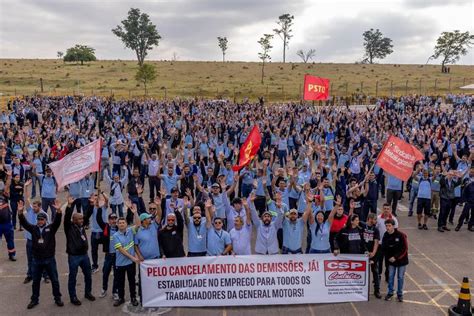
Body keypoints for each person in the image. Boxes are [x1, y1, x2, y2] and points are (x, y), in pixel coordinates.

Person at [18, 199, 64, 309]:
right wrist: (20, 212)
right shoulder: (33, 229)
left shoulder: (50, 228)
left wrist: (58, 212)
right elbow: (24, 223)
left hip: (49, 259)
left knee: (55, 280)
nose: (40, 221)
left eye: (42, 219)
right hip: (36, 260)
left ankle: (57, 298)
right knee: (36, 282)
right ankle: (34, 299)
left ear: (45, 220)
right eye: (38, 219)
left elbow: (57, 222)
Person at [64, 196, 95, 306]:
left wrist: (91, 205)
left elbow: (88, 215)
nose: (82, 220)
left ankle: (88, 292)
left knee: (88, 275)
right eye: (80, 219)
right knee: (73, 277)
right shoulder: (69, 227)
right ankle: (73, 297)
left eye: (82, 219)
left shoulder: (81, 225)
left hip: (84, 255)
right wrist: (69, 206)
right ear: (74, 220)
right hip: (74, 256)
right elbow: (67, 217)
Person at [111, 206, 140, 307]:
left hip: (130, 264)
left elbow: (138, 224)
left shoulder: (130, 231)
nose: (122, 224)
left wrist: (135, 213)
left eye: (123, 223)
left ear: (126, 224)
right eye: (120, 223)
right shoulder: (115, 236)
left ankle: (133, 298)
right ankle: (121, 298)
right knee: (120, 282)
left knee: (132, 281)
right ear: (117, 225)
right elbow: (121, 250)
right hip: (120, 263)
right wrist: (133, 258)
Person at [95, 197, 119, 300]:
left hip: (118, 255)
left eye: (115, 219)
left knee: (117, 275)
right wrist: (99, 208)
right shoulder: (105, 227)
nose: (113, 220)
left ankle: (115, 291)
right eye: (111, 219)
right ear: (109, 220)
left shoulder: (120, 228)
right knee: (105, 273)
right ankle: (104, 289)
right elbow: (98, 219)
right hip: (108, 255)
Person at [382, 219, 409, 302]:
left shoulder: (401, 235)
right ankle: (390, 292)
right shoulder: (385, 235)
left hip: (401, 260)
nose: (387, 227)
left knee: (400, 277)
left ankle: (400, 294)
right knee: (390, 277)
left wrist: (396, 257)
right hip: (391, 261)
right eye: (386, 226)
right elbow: (384, 248)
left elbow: (405, 248)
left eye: (389, 226)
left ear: (393, 226)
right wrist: (389, 258)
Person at [362, 213, 381, 299]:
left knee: (375, 271)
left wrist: (373, 253)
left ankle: (377, 290)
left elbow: (376, 242)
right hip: (363, 253)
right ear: (369, 219)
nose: (375, 221)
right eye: (374, 219)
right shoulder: (362, 226)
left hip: (373, 254)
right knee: (362, 272)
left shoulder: (376, 230)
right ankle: (361, 290)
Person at [456, 166, 474, 231]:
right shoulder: (466, 179)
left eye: (473, 172)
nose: (471, 173)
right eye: (471, 172)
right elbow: (463, 190)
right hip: (468, 201)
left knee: (473, 215)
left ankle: (470, 226)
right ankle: (459, 225)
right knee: (464, 213)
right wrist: (464, 200)